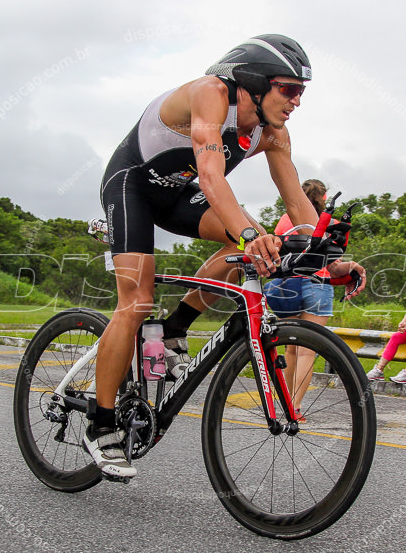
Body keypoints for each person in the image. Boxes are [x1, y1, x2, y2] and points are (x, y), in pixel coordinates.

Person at [89, 34, 366, 478]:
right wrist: (246, 234)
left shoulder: (273, 134)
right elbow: (212, 176)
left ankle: (174, 328)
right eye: (289, 89)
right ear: (255, 81)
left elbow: (297, 204)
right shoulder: (210, 94)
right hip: (133, 186)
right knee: (137, 300)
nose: (296, 101)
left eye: (301, 92)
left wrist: (329, 256)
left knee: (260, 240)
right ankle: (100, 425)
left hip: (179, 195)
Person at [263, 179, 335, 412]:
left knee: (290, 347)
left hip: (286, 285)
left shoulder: (285, 219)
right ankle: (295, 406)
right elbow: (334, 263)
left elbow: (276, 250)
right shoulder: (329, 223)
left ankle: (282, 403)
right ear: (324, 197)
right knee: (307, 351)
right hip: (318, 283)